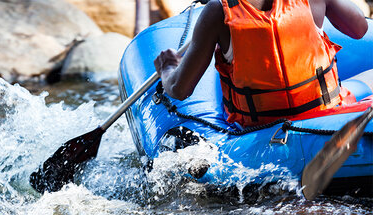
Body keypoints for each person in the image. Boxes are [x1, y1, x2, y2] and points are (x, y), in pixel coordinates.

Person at [154, 0, 369, 127]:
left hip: (258, 131)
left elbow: (179, 89)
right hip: (328, 118)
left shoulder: (217, 12)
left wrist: (168, 67)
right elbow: (359, 29)